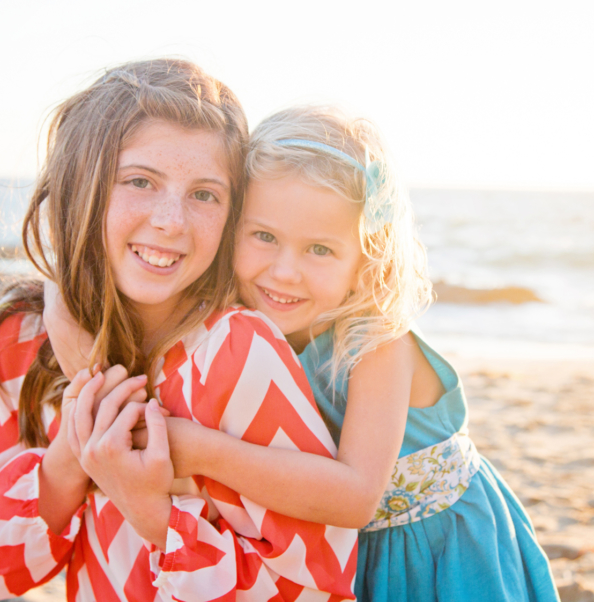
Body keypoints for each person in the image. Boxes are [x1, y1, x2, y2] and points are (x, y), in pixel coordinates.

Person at [47, 105, 560, 602]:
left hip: (432, 551)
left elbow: (356, 497)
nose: (284, 271)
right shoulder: (246, 327)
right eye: (265, 236)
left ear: (366, 257)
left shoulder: (378, 343)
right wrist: (59, 308)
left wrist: (202, 450)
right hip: (339, 554)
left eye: (320, 249)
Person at [0, 62, 359, 602]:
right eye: (140, 181)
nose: (172, 221)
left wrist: (154, 515)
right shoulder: (17, 339)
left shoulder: (237, 353)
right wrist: (71, 458)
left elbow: (314, 584)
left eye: (205, 194)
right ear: (79, 186)